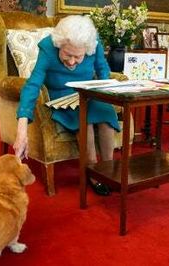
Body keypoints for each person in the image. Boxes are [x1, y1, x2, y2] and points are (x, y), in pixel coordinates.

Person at [13, 15, 120, 196]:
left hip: (89, 93)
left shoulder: (93, 43)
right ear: (59, 44)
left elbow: (103, 71)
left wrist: (106, 93)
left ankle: (107, 170)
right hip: (61, 97)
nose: (72, 62)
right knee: (84, 120)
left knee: (106, 115)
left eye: (78, 56)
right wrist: (22, 127)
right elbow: (33, 84)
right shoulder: (48, 47)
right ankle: (92, 172)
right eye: (67, 54)